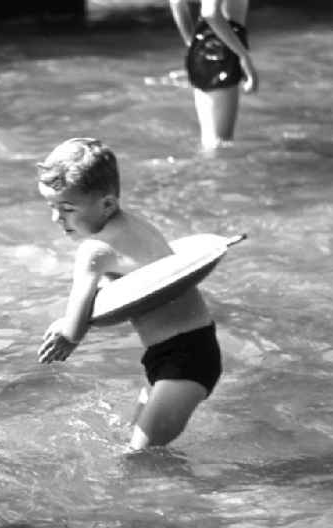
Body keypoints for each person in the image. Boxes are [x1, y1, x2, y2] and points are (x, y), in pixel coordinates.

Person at [35, 138, 221, 451]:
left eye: (67, 208)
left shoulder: (94, 251)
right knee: (132, 442)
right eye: (52, 207)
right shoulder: (138, 226)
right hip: (196, 350)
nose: (57, 218)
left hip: (180, 363)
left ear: (106, 204)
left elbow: (75, 329)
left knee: (139, 459)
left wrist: (63, 332)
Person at [169, 0, 258, 149]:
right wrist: (243, 56)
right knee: (220, 144)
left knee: (212, 141)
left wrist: (192, 44)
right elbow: (210, 12)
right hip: (223, 46)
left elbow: (177, 2)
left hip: (207, 45)